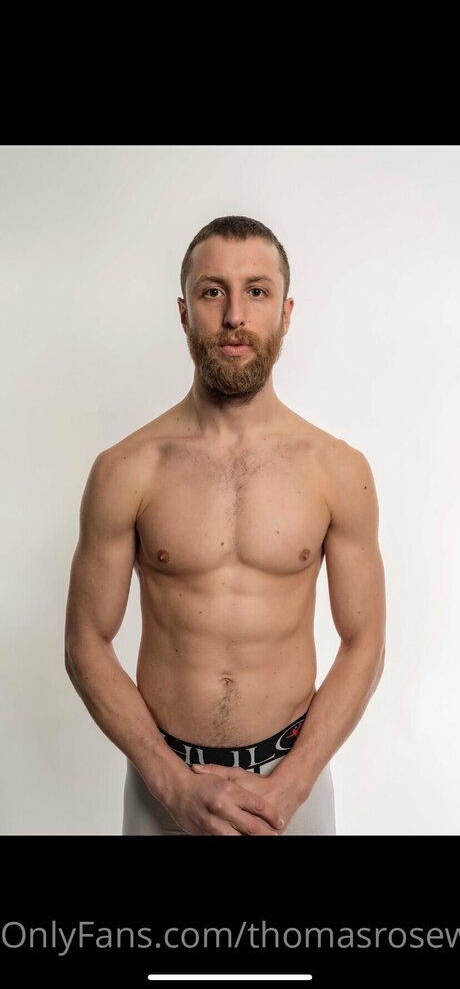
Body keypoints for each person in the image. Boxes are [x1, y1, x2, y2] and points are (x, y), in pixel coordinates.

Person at [64, 215, 386, 836]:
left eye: (257, 291)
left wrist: (293, 786)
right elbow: (85, 642)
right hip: (163, 786)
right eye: (213, 291)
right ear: (184, 312)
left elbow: (364, 642)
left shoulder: (338, 470)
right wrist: (169, 782)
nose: (235, 315)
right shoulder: (125, 469)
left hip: (293, 782)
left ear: (286, 313)